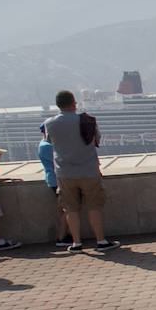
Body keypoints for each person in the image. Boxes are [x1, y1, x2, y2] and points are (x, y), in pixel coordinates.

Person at [43, 90, 120, 253]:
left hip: (65, 173)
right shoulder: (87, 120)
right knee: (94, 206)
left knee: (71, 209)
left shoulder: (49, 123)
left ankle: (76, 243)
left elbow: (49, 142)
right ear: (74, 103)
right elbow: (97, 140)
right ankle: (101, 241)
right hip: (89, 169)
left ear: (58, 105)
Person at [37, 122, 72, 248]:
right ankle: (62, 237)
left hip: (54, 179)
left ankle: (65, 234)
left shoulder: (44, 145)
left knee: (63, 208)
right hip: (57, 180)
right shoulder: (47, 146)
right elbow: (61, 160)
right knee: (67, 209)